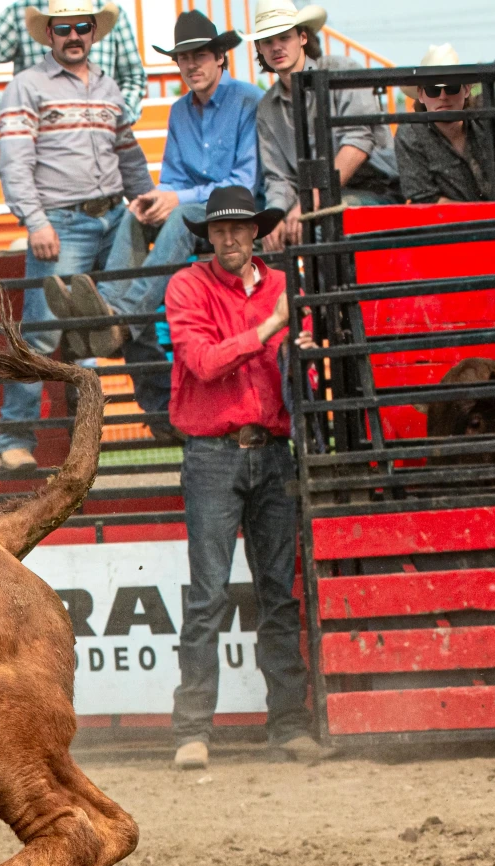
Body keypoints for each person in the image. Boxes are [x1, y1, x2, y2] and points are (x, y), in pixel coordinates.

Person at [164, 188, 319, 770]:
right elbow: (202, 362)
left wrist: (302, 350)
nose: (229, 239)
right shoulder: (192, 287)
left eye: (239, 229)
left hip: (270, 448)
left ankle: (285, 723)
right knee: (209, 594)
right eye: (219, 231)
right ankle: (193, 730)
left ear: (257, 232)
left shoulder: (276, 287)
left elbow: (294, 365)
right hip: (214, 451)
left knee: (277, 592)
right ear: (209, 236)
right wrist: (272, 329)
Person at [0, 0, 156, 469]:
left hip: (114, 218)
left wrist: (144, 200)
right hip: (61, 223)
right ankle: (12, 442)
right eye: (62, 28)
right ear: (48, 34)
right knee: (42, 334)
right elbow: (14, 161)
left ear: (93, 32)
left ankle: (157, 417)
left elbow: (128, 154)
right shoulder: (26, 86)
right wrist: (36, 220)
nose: (73, 35)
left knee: (131, 316)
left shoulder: (109, 89)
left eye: (81, 27)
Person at [99, 11, 261, 435]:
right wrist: (154, 200)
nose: (192, 65)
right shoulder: (178, 111)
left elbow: (244, 182)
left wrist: (175, 198)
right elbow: (172, 178)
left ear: (220, 57)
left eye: (201, 55)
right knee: (134, 216)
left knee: (181, 215)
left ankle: (122, 316)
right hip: (192, 210)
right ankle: (108, 309)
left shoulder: (248, 100)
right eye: (184, 58)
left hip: (236, 209)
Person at [252, 2, 400, 253]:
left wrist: (309, 204)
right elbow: (279, 177)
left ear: (302, 38)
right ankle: (290, 291)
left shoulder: (340, 70)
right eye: (267, 41)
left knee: (320, 230)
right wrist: (274, 216)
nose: (276, 46)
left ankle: (342, 293)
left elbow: (358, 143)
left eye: (284, 37)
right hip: (313, 201)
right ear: (260, 48)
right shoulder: (267, 107)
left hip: (375, 191)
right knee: (256, 239)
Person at [0, 0, 145, 127]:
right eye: (62, 30)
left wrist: (119, 118)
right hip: (41, 140)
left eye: (84, 28)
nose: (74, 36)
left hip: (101, 134)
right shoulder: (19, 12)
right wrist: (1, 115)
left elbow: (133, 76)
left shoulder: (111, 13)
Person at [396, 46, 495, 205]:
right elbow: (425, 199)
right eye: (433, 90)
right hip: (448, 228)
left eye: (451, 88)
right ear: (421, 94)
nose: (443, 96)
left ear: (466, 89)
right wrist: (485, 216)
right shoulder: (410, 133)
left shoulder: (485, 114)